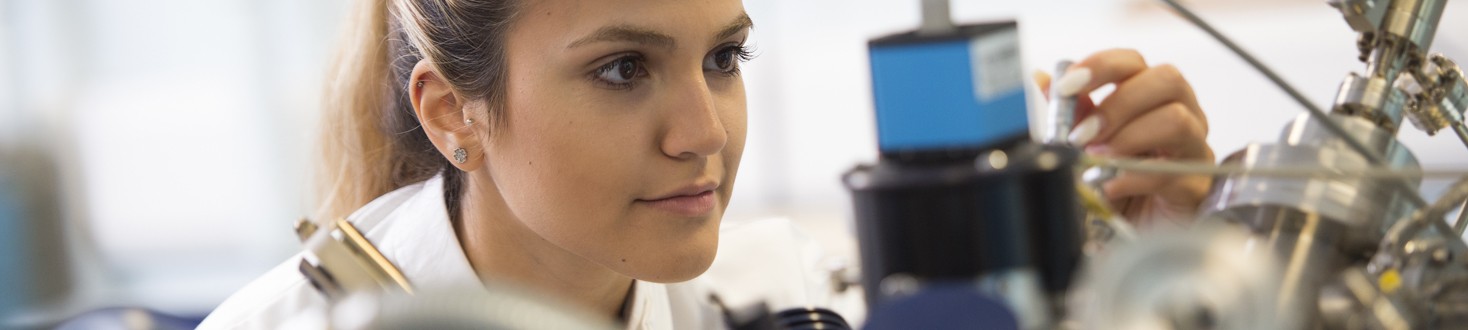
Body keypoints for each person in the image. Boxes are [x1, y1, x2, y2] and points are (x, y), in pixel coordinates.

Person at [197, 0, 1214, 328]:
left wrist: (1149, 275)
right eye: (623, 69)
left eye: (723, 60)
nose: (704, 134)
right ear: (453, 112)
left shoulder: (784, 285)